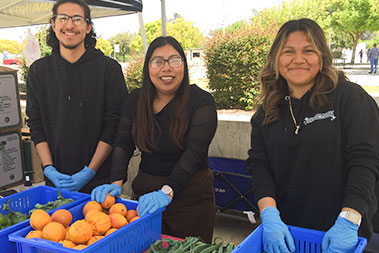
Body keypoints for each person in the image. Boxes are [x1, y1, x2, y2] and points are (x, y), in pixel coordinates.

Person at [246, 18, 379, 253]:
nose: (298, 59)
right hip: (289, 235)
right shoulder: (266, 112)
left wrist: (349, 219)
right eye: (288, 52)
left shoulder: (350, 98)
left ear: (322, 56)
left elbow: (365, 160)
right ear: (276, 59)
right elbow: (259, 165)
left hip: (343, 231)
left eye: (308, 51)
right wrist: (269, 216)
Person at [91, 36, 217, 243]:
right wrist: (116, 182)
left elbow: (194, 153)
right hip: (147, 194)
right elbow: (123, 143)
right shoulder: (136, 100)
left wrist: (167, 192)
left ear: (183, 66)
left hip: (191, 196)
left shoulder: (201, 102)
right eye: (158, 61)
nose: (166, 68)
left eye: (174, 60)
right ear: (148, 67)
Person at [26, 0, 127, 194]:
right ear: (53, 25)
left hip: (100, 181)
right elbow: (36, 124)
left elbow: (114, 125)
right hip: (56, 182)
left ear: (88, 27)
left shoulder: (108, 69)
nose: (70, 25)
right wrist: (49, 168)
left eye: (77, 19)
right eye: (63, 18)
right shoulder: (38, 72)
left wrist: (89, 171)